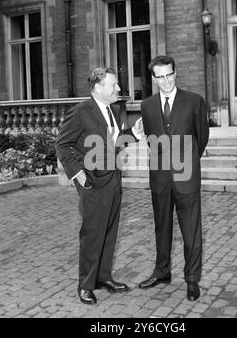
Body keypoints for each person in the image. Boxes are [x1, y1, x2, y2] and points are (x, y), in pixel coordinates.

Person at [55, 67, 143, 305]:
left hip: (113, 179)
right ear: (97, 87)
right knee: (93, 233)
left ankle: (103, 277)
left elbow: (112, 143)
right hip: (92, 182)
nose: (119, 88)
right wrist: (78, 174)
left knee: (110, 231)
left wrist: (133, 133)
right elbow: (63, 145)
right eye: (113, 85)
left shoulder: (112, 110)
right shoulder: (80, 112)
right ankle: (85, 285)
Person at [138, 56, 209, 301]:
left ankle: (192, 279)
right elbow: (150, 138)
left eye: (169, 74)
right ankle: (162, 271)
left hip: (186, 176)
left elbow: (201, 137)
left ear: (175, 73)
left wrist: (186, 161)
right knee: (162, 227)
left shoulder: (194, 101)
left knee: (191, 231)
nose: (166, 81)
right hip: (159, 177)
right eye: (160, 77)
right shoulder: (146, 106)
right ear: (154, 79)